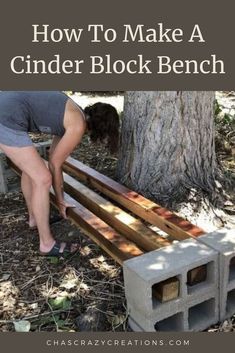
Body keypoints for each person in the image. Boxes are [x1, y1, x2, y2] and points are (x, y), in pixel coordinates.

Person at [0, 91, 120, 257]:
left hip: (8, 112)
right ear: (103, 127)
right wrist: (61, 200)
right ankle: (46, 244)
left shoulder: (72, 113)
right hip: (6, 118)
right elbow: (55, 165)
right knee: (42, 179)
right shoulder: (78, 124)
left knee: (32, 171)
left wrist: (59, 195)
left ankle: (34, 219)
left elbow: (53, 156)